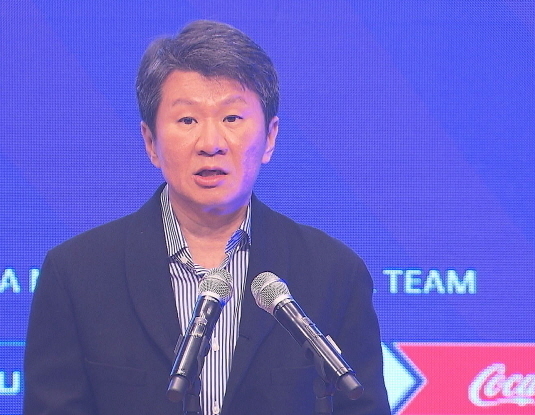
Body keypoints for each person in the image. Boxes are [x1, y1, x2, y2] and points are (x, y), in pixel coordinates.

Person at [24, 20, 390, 415]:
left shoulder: (334, 274)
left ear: (270, 137)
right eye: (187, 120)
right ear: (150, 141)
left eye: (232, 119)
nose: (211, 144)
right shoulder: (77, 275)